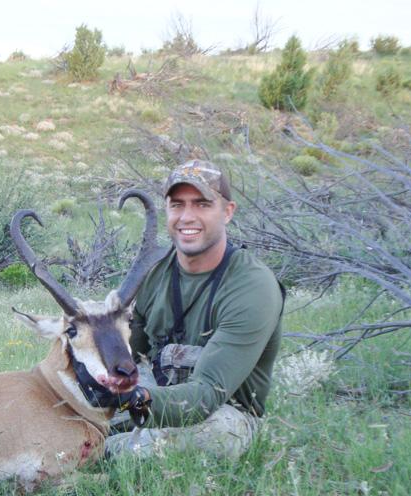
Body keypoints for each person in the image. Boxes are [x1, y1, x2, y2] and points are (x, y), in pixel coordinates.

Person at [106, 160, 284, 460]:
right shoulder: (154, 273)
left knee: (218, 435)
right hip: (155, 389)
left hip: (220, 409)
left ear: (227, 212)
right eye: (177, 205)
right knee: (77, 404)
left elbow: (207, 394)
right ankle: (101, 441)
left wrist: (130, 400)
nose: (187, 216)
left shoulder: (253, 286)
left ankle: (97, 453)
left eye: (202, 204)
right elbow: (130, 355)